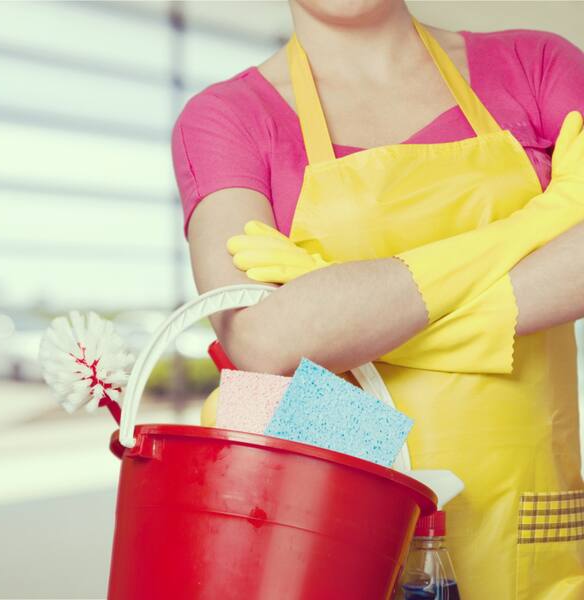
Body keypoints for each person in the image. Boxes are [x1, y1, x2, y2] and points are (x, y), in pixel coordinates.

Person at [171, 1, 584, 599]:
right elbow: (264, 341)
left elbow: (294, 333)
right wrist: (547, 220)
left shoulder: (534, 64)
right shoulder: (227, 118)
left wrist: (340, 303)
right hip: (343, 539)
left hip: (532, 538)